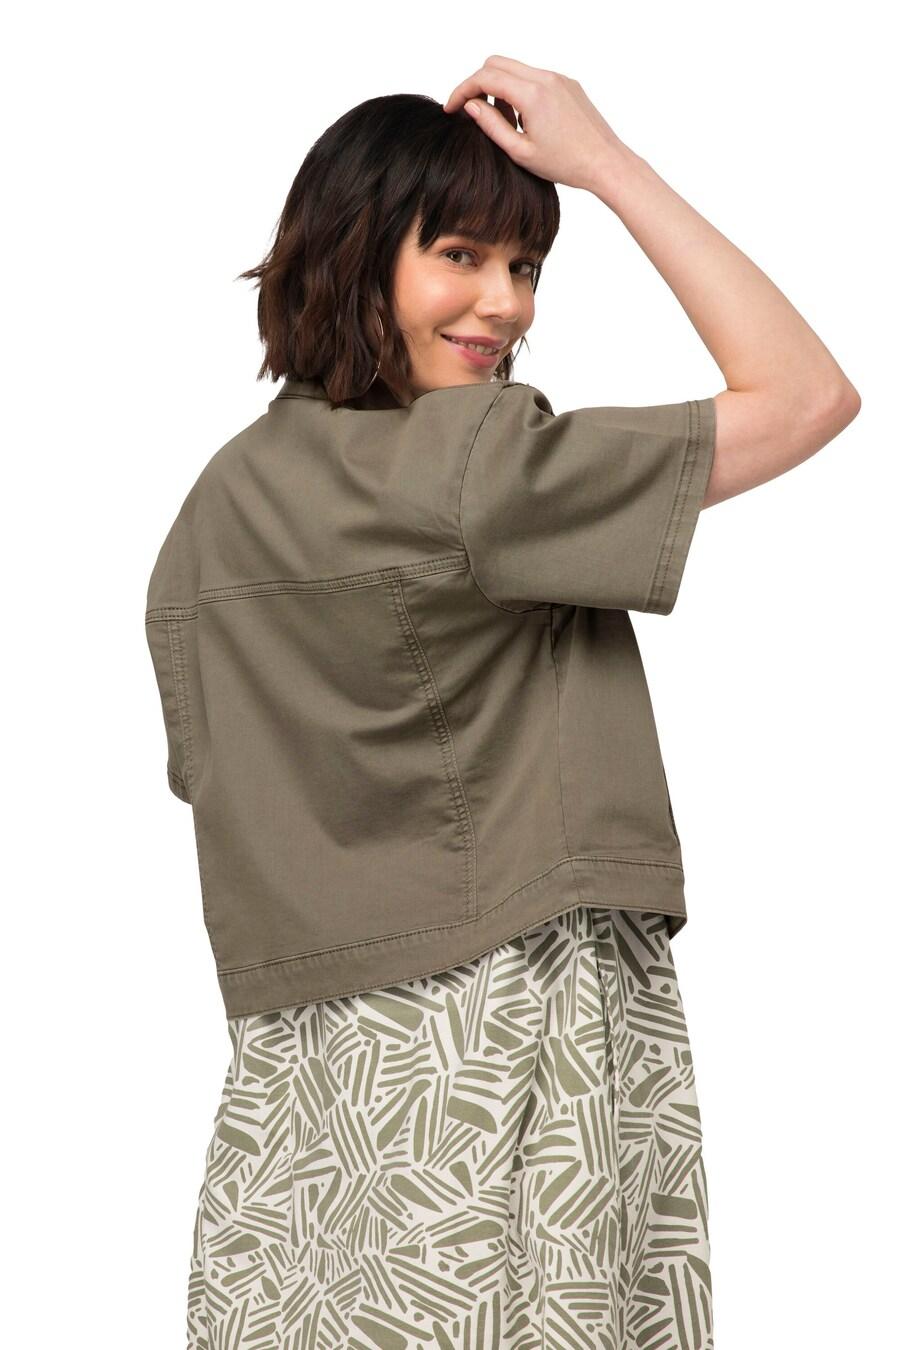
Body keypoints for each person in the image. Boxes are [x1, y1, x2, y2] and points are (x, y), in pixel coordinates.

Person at [146, 56, 860, 1350]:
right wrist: (604, 163)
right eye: (461, 255)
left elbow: (213, 776)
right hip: (510, 1032)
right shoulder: (480, 466)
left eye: (526, 265)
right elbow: (808, 393)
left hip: (301, 1091)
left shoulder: (211, 513)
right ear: (355, 252)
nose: (506, 304)